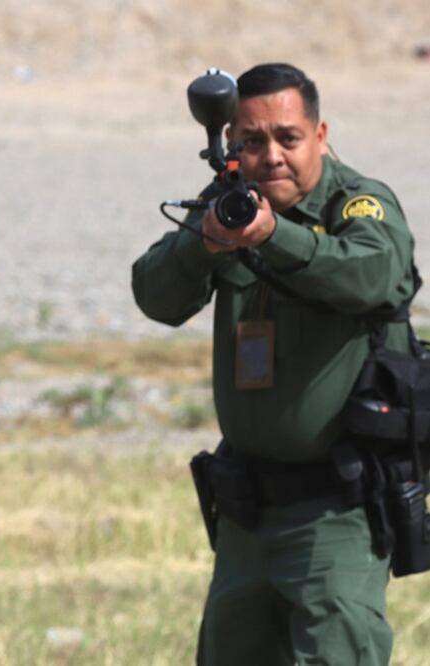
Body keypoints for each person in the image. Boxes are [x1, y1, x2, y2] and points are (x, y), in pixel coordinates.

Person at [132, 63, 417, 665]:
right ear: (230, 144)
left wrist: (271, 239)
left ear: (319, 134)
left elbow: (372, 275)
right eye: (252, 141)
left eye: (287, 138)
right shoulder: (229, 207)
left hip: (336, 510)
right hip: (247, 509)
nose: (272, 156)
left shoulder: (358, 204)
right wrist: (205, 243)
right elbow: (155, 296)